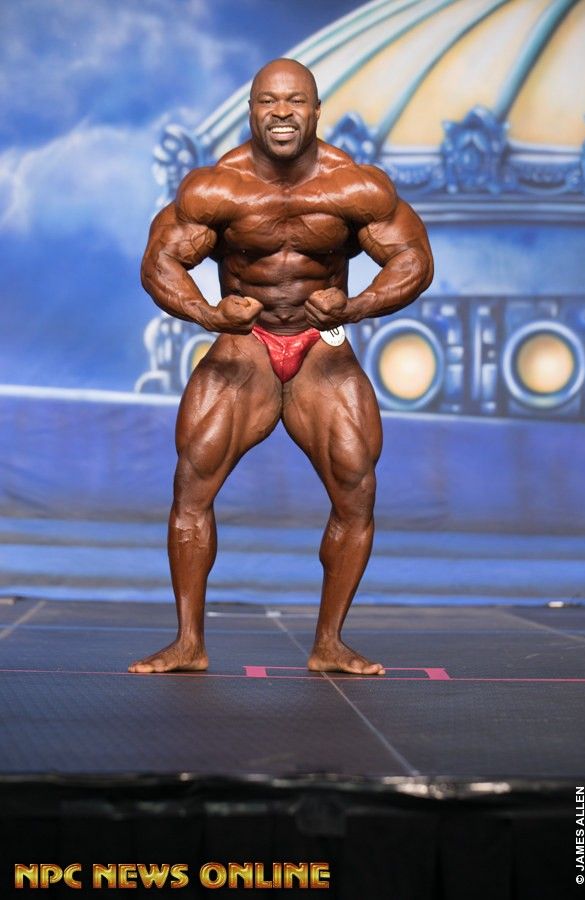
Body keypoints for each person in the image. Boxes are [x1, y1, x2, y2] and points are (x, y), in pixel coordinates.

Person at [129, 58, 433, 676]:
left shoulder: (356, 186)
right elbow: (159, 262)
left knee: (356, 489)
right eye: (268, 101)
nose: (282, 112)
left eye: (295, 101)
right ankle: (188, 642)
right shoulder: (216, 188)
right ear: (252, 110)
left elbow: (414, 260)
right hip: (244, 345)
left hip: (323, 344)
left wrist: (356, 305)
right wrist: (208, 314)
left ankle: (329, 644)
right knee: (192, 484)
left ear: (316, 111)